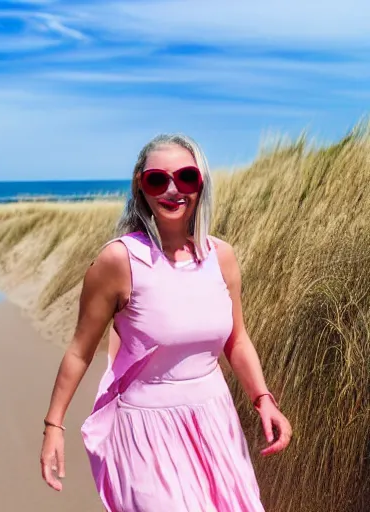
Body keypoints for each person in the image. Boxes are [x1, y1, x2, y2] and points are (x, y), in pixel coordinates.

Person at [40, 133, 292, 511]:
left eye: (186, 177)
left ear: (201, 183)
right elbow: (80, 351)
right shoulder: (118, 261)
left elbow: (236, 340)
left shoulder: (221, 256)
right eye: (158, 179)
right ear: (141, 187)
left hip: (214, 421)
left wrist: (263, 399)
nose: (173, 190)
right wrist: (53, 427)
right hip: (146, 431)